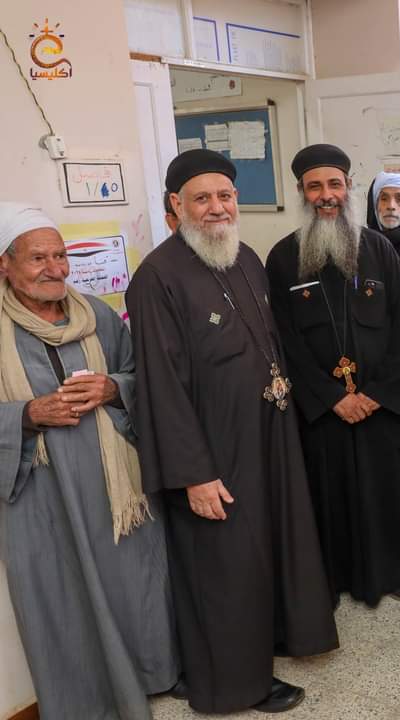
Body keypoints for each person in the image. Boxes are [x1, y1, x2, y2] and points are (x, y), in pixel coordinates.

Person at [127, 149, 339, 714]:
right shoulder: (157, 278)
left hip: (267, 435)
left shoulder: (243, 257)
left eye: (225, 196)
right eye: (202, 198)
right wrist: (194, 474)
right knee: (224, 565)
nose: (217, 207)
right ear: (176, 206)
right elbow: (161, 387)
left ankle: (276, 641)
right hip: (213, 450)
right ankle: (235, 684)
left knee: (268, 547)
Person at [0, 203, 177, 720]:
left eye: (60, 255)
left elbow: (143, 377)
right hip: (40, 493)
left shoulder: (97, 315)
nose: (55, 268)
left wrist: (113, 388)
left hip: (115, 485)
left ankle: (153, 676)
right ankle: (85, 701)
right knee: (59, 597)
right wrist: (26, 413)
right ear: (5, 265)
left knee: (136, 584)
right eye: (38, 258)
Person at [266, 144, 400, 606]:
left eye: (334, 184)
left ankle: (391, 573)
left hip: (376, 404)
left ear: (349, 187)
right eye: (315, 187)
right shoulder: (282, 258)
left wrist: (375, 394)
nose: (326, 195)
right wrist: (332, 397)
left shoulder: (380, 250)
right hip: (324, 409)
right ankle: (333, 579)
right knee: (327, 495)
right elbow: (283, 340)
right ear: (301, 192)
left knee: (382, 490)